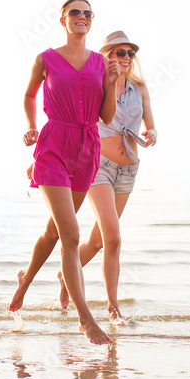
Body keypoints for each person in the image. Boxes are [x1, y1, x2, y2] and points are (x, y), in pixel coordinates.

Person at [11, 0, 121, 345]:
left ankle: (24, 281)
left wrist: (112, 84)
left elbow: (106, 116)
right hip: (54, 145)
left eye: (88, 14)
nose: (82, 18)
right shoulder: (46, 59)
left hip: (86, 150)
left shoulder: (101, 63)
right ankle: (86, 319)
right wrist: (30, 125)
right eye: (75, 12)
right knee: (72, 234)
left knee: (56, 232)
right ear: (63, 19)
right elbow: (29, 95)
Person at [55, 31, 156, 324]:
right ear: (107, 55)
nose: (125, 58)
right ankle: (113, 307)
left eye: (130, 54)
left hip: (129, 169)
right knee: (113, 237)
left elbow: (150, 121)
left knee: (100, 241)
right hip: (98, 166)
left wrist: (152, 132)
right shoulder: (95, 83)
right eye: (119, 53)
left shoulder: (140, 88)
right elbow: (86, 119)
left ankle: (66, 274)